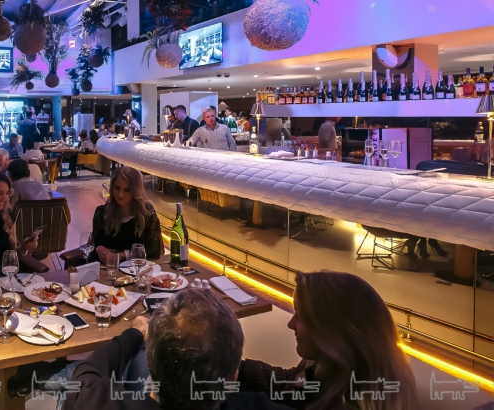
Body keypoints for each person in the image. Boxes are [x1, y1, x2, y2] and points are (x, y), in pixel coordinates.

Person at [64, 289, 290, 410]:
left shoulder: (98, 403)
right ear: (233, 378)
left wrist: (134, 334)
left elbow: (85, 376)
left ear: (151, 363)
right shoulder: (256, 404)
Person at [239, 271, 418, 410]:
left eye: (300, 316)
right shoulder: (328, 366)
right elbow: (289, 383)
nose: (290, 324)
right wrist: (237, 368)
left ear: (332, 332)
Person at [92, 166, 161, 263]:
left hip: (136, 269)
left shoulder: (147, 213)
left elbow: (154, 251)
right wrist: (98, 248)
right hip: (106, 269)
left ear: (136, 190)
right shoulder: (102, 213)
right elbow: (94, 244)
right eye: (117, 188)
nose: (120, 194)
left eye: (127, 190)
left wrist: (122, 255)